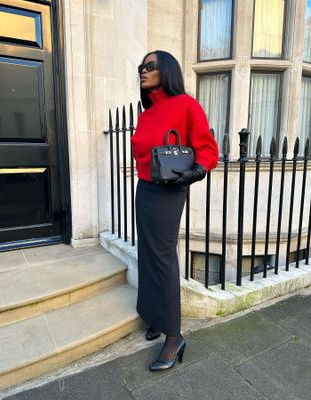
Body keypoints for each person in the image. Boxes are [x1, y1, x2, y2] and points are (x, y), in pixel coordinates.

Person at [131, 50, 219, 371]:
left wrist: (195, 171)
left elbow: (208, 148)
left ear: (166, 70)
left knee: (164, 256)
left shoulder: (186, 105)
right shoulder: (146, 113)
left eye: (150, 66)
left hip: (171, 190)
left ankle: (174, 336)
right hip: (146, 188)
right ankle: (154, 316)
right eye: (141, 66)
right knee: (148, 254)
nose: (143, 70)